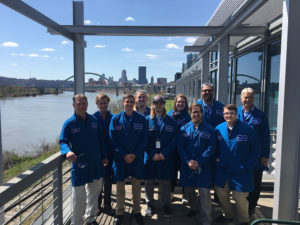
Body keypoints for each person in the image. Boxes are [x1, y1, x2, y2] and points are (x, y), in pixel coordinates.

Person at [59, 94, 108, 225]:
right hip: (80, 165)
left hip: (96, 163)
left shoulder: (94, 121)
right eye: (78, 104)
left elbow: (101, 141)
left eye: (83, 104)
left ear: (87, 105)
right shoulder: (69, 123)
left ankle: (90, 218)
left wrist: (104, 156)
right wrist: (67, 151)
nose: (81, 106)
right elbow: (63, 141)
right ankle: (76, 222)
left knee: (94, 193)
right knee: (78, 198)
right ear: (74, 105)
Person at [214, 104, 261, 225]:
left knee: (240, 198)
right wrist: (216, 160)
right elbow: (213, 147)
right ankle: (228, 215)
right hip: (223, 170)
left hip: (241, 171)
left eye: (231, 113)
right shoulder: (218, 129)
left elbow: (256, 149)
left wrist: (247, 165)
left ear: (236, 114)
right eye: (226, 113)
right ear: (223, 115)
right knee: (221, 194)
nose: (228, 116)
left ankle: (244, 220)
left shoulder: (247, 129)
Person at [109, 94, 148, 225]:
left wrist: (135, 154)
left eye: (132, 102)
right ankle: (119, 213)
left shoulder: (142, 119)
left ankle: (137, 211)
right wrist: (124, 155)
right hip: (120, 159)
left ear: (134, 103)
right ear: (123, 103)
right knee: (120, 187)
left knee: (136, 187)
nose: (130, 104)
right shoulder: (115, 119)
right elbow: (113, 140)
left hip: (136, 159)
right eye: (127, 102)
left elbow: (144, 139)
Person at [178, 103, 216, 225]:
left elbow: (211, 148)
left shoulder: (210, 129)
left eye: (198, 112)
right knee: (188, 190)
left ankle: (206, 220)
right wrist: (188, 161)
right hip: (188, 166)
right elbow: (180, 147)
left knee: (204, 194)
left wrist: (199, 161)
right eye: (193, 112)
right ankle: (194, 208)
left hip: (203, 167)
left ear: (202, 113)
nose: (196, 114)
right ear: (190, 114)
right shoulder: (183, 129)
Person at [237, 88, 270, 216]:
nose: (247, 100)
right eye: (245, 97)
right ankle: (241, 207)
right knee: (241, 182)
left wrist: (265, 155)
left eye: (250, 97)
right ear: (241, 99)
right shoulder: (236, 112)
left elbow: (265, 137)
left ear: (253, 99)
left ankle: (251, 208)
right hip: (240, 155)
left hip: (256, 156)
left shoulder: (260, 115)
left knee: (255, 184)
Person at [144, 95, 177, 218]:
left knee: (165, 181)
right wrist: (152, 153)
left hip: (165, 156)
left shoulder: (171, 121)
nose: (158, 105)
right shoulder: (146, 120)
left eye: (161, 103)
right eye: (156, 102)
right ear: (152, 104)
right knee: (149, 181)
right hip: (151, 156)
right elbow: (143, 140)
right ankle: (149, 203)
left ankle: (165, 204)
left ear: (164, 104)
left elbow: (174, 139)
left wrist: (164, 153)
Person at [94, 94, 115, 215]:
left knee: (108, 180)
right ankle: (97, 205)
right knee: (97, 181)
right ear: (97, 104)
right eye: (101, 103)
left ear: (108, 103)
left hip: (110, 154)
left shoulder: (113, 118)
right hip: (98, 155)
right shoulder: (92, 118)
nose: (103, 105)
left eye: (105, 103)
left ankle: (107, 203)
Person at [168, 94, 191, 203]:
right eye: (178, 102)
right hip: (171, 149)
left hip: (183, 148)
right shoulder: (169, 114)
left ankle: (185, 194)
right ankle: (171, 193)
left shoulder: (188, 116)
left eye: (183, 102)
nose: (180, 104)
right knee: (172, 172)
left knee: (184, 172)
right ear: (175, 103)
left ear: (185, 104)